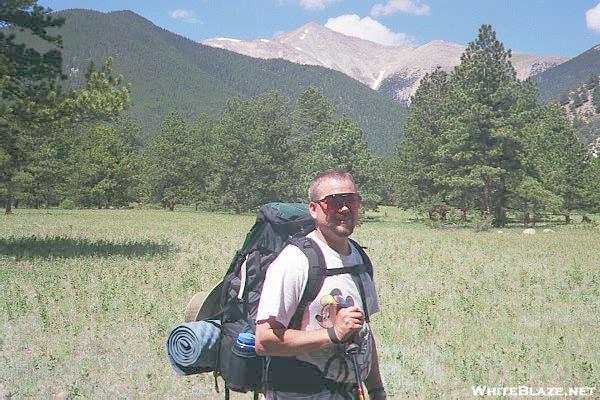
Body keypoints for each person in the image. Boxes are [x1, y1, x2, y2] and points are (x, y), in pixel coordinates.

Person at [255, 169, 386, 400]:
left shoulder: (359, 257)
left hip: (348, 391)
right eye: (333, 202)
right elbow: (264, 341)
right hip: (300, 392)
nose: (344, 209)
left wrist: (376, 389)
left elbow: (365, 331)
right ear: (314, 209)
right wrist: (333, 334)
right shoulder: (295, 261)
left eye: (351, 201)